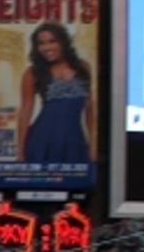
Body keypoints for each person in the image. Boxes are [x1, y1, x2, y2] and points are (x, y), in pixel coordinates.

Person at [16, 22, 95, 165]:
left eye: (52, 41)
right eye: (41, 43)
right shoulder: (32, 73)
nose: (47, 48)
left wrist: (93, 146)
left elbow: (90, 110)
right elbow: (25, 112)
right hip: (42, 140)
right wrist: (20, 151)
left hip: (74, 141)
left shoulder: (83, 68)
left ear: (63, 42)